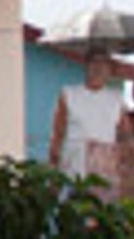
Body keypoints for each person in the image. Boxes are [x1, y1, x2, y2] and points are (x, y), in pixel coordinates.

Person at [48, 48, 127, 177]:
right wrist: (53, 164)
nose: (98, 67)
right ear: (86, 65)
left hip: (104, 167)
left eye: (103, 63)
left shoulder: (116, 99)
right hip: (74, 166)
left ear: (109, 68)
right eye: (94, 62)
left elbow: (125, 134)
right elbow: (58, 133)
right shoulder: (69, 94)